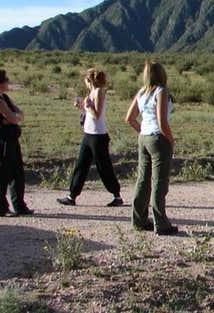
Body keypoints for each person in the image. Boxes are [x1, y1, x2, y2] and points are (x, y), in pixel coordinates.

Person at [125, 60, 178, 235]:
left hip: (144, 138)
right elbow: (162, 121)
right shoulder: (161, 91)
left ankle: (139, 220)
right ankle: (161, 224)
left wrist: (143, 131)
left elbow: (130, 118)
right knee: (159, 183)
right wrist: (171, 139)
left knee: (143, 181)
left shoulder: (142, 92)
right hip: (158, 139)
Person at [57, 68, 123, 207]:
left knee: (103, 166)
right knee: (81, 164)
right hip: (89, 133)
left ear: (89, 80)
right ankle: (72, 195)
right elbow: (90, 113)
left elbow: (97, 114)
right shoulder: (92, 93)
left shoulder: (98, 92)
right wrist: (82, 108)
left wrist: (87, 106)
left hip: (98, 135)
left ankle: (116, 194)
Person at [0, 69, 33, 217]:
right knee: (2, 173)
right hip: (3, 141)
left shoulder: (4, 97)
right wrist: (12, 118)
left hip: (11, 139)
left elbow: (18, 115)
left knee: (17, 173)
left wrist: (12, 118)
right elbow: (14, 117)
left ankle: (20, 205)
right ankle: (2, 207)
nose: (8, 82)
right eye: (6, 80)